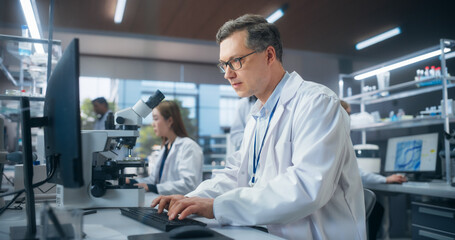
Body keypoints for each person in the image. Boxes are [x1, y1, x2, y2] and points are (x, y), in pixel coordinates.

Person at [152, 14, 366, 239]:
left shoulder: (317, 102)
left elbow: (307, 187)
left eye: (236, 61)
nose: (227, 74)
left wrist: (216, 207)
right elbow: (238, 174)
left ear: (269, 55)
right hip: (268, 232)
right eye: (224, 64)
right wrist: (191, 199)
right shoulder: (258, 113)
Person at [340, 100, 407, 240]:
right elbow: (358, 173)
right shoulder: (338, 139)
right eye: (348, 114)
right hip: (340, 206)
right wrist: (385, 179)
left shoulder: (341, 137)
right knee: (377, 210)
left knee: (377, 209)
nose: (349, 118)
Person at [126, 101, 203, 195]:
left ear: (170, 121)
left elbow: (189, 185)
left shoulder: (189, 146)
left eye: (156, 118)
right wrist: (132, 182)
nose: (152, 124)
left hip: (183, 205)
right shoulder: (165, 147)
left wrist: (152, 187)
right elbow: (153, 180)